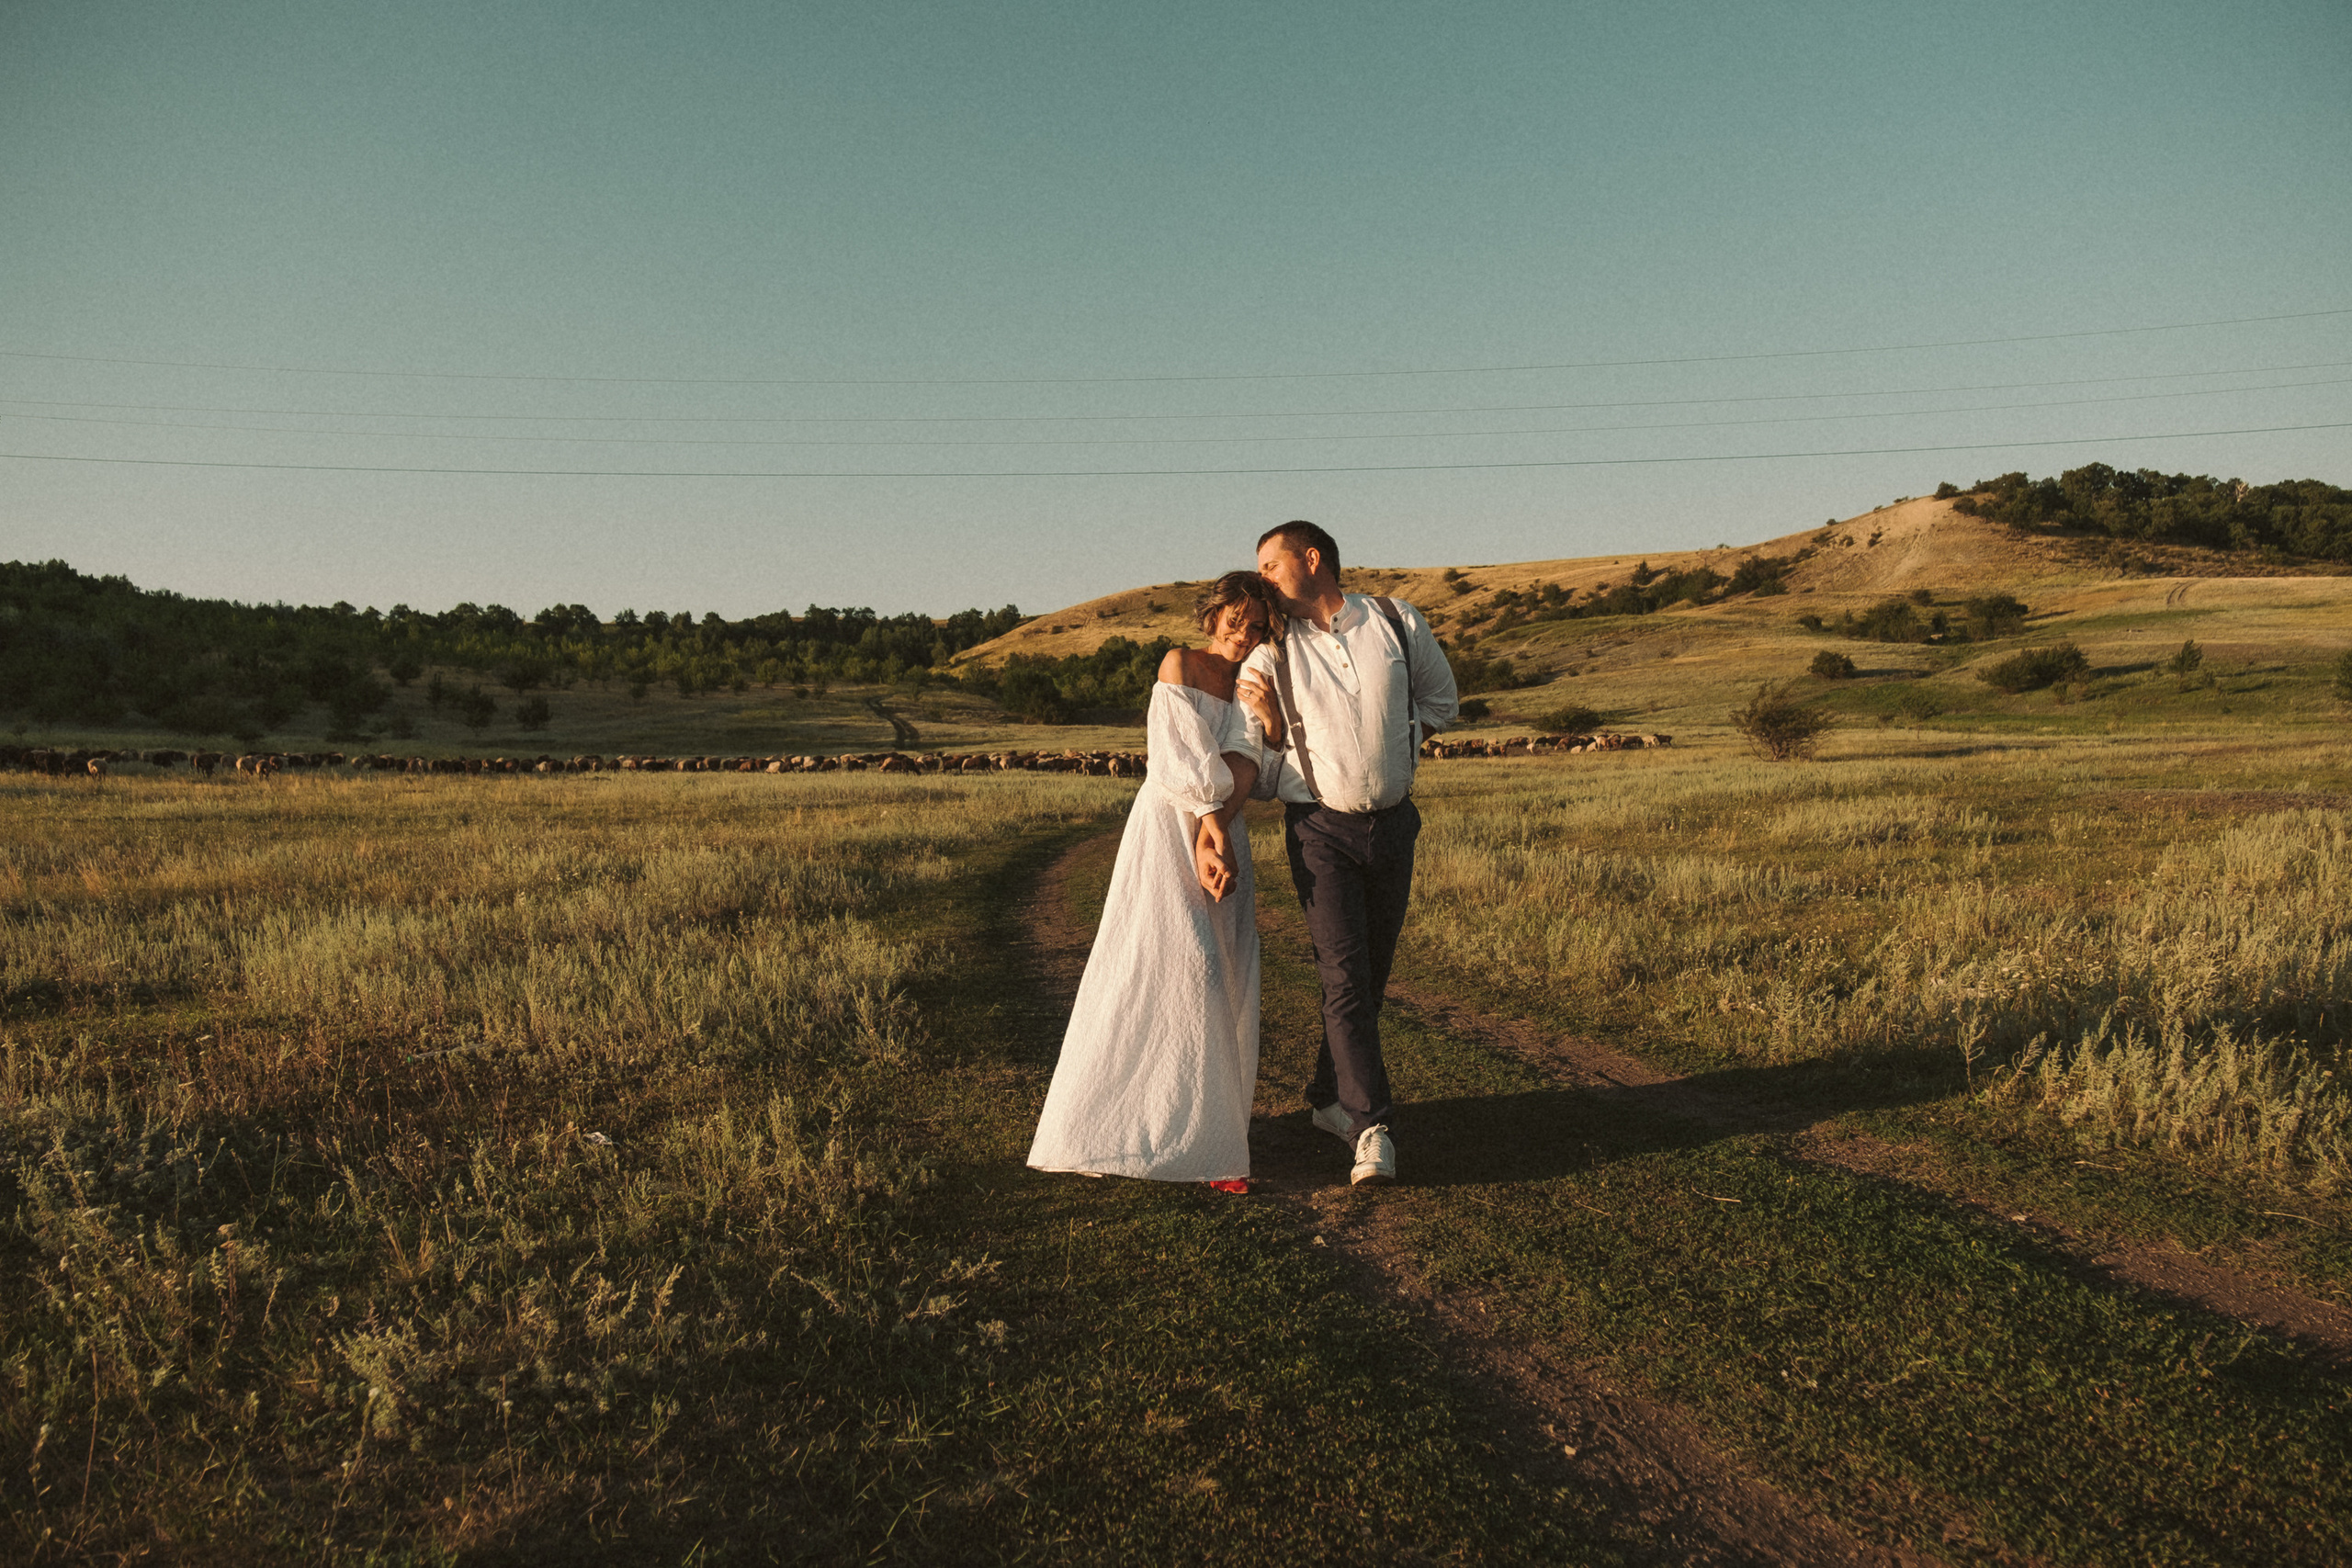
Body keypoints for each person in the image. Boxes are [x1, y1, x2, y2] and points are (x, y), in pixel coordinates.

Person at [1218, 521, 1457, 1186]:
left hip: (1396, 825)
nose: (1261, 577)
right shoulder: (1269, 656)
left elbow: (1444, 700)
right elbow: (1264, 777)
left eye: (1269, 564)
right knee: (1344, 978)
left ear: (1311, 558)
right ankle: (1371, 1127)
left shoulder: (1395, 620)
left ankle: (1328, 1097)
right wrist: (1267, 726)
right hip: (1319, 829)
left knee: (1371, 975)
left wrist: (1395, 745)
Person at [1025, 572, 1277, 1188]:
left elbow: (1246, 758)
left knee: (1224, 963)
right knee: (1180, 961)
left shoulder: (1254, 674)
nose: (1245, 634)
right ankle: (1113, 1123)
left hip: (1223, 827)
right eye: (1236, 619)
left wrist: (1219, 832)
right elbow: (1180, 759)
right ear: (1215, 613)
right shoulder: (1178, 664)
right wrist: (1204, 832)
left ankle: (1212, 1138)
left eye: (1259, 626)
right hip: (1170, 827)